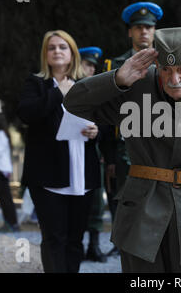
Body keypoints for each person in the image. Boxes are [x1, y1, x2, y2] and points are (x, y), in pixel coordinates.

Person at [64, 26, 181, 273]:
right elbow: (74, 101)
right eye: (165, 70)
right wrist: (117, 78)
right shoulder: (136, 88)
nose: (174, 80)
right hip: (142, 215)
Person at [17, 30, 101, 273]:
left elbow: (104, 119)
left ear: (72, 53)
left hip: (82, 172)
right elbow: (27, 114)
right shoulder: (35, 83)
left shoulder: (87, 84)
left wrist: (97, 131)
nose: (57, 51)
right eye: (51, 48)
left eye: (62, 47)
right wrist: (58, 92)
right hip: (48, 174)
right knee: (54, 238)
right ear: (45, 54)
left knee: (75, 240)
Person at [104, 1, 164, 257]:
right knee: (123, 194)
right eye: (138, 27)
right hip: (124, 145)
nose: (144, 32)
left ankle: (153, 241)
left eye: (148, 27)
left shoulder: (167, 63)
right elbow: (105, 114)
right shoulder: (114, 65)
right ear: (130, 32)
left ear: (155, 31)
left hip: (159, 140)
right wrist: (108, 156)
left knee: (156, 194)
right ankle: (123, 243)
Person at [78, 46, 107, 263]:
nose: (91, 70)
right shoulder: (68, 90)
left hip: (94, 153)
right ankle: (76, 245)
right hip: (72, 152)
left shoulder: (98, 93)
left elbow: (107, 123)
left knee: (96, 200)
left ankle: (94, 246)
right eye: (87, 64)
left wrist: (98, 134)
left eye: (93, 66)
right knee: (76, 201)